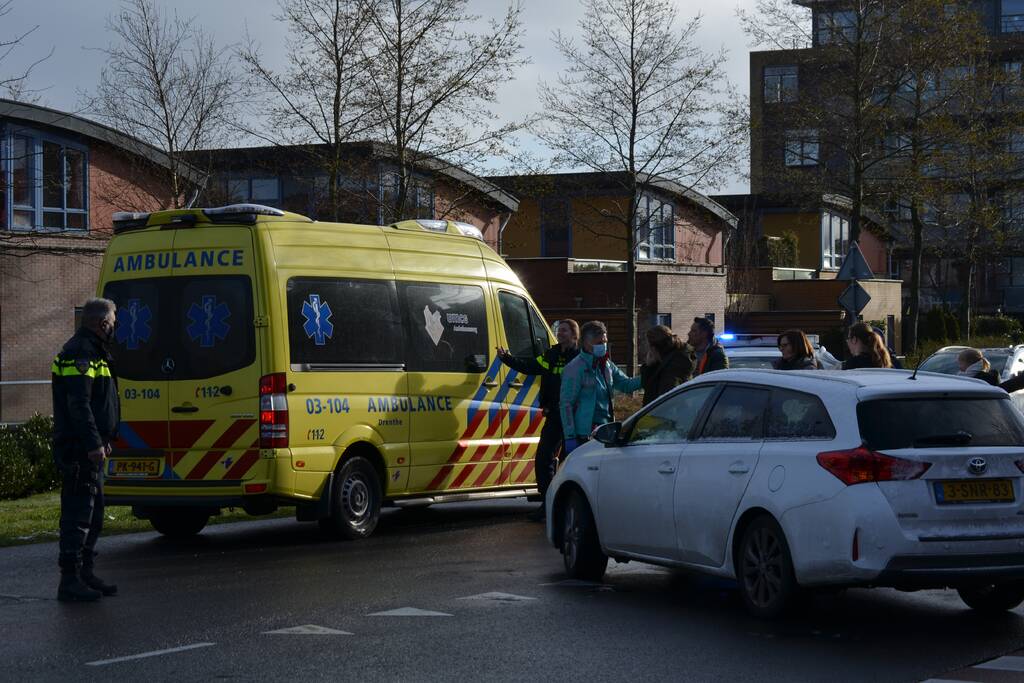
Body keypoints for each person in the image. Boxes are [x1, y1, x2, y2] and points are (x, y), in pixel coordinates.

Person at [51, 298, 120, 602]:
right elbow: (78, 404)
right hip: (80, 448)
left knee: (94, 514)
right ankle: (70, 579)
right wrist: (93, 443)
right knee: (78, 515)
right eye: (114, 321)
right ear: (103, 323)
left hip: (92, 447)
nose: (116, 326)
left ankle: (85, 573)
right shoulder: (80, 353)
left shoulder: (94, 351)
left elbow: (98, 402)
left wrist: (104, 438)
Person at [496, 319, 580, 520]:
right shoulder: (551, 354)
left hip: (574, 418)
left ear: (574, 334)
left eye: (565, 331)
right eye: (559, 330)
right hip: (554, 415)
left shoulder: (580, 357)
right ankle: (548, 503)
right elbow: (530, 366)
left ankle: (572, 507)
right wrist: (506, 358)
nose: (560, 333)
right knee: (543, 458)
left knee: (571, 461)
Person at [560, 321, 641, 454]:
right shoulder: (575, 368)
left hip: (606, 429)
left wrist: (649, 374)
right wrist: (570, 436)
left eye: (605, 341)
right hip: (585, 433)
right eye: (599, 342)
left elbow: (626, 385)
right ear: (586, 343)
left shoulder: (606, 364)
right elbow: (566, 404)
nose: (603, 345)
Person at [640, 325, 694, 405]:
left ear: (653, 348)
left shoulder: (672, 369)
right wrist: (649, 366)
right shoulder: (667, 362)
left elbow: (664, 400)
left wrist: (648, 367)